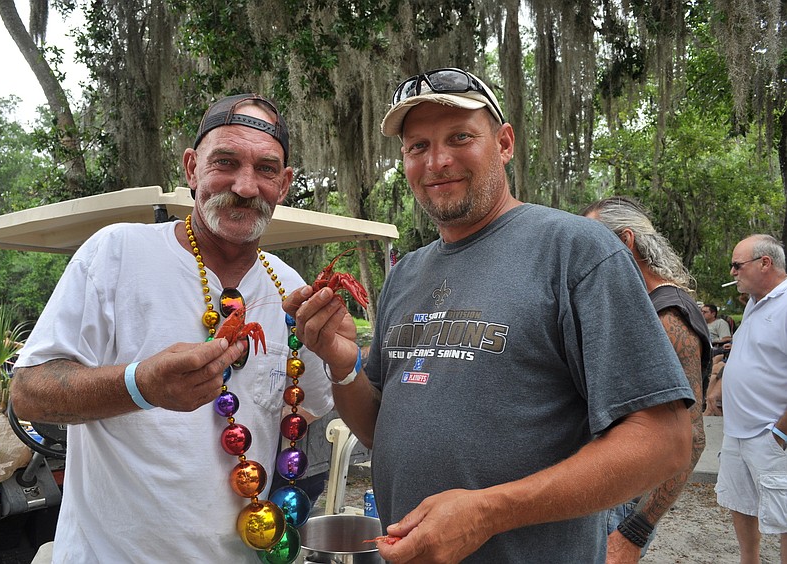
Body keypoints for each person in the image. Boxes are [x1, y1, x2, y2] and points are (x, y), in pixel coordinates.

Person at [284, 67, 694, 563]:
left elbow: (665, 441)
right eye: (418, 147)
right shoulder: (408, 273)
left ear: (504, 143)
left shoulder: (576, 251)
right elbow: (377, 431)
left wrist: (489, 512)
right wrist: (343, 364)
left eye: (460, 137)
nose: (437, 161)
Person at [11, 94, 334, 563]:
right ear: (191, 168)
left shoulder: (290, 287)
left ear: (283, 185)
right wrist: (139, 385)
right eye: (225, 162)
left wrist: (345, 360)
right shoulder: (117, 252)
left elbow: (309, 407)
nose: (245, 186)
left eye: (266, 169)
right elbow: (27, 392)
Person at [582, 196, 709, 563]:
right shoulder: (639, 304)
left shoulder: (669, 316)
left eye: (592, 244)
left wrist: (635, 531)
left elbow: (692, 438)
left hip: (621, 507)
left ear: (625, 241)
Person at [715, 234, 787, 563]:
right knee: (740, 504)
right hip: (738, 433)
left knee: (784, 516)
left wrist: (782, 431)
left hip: (771, 434)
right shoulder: (756, 304)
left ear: (765, 263)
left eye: (737, 264)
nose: (732, 272)